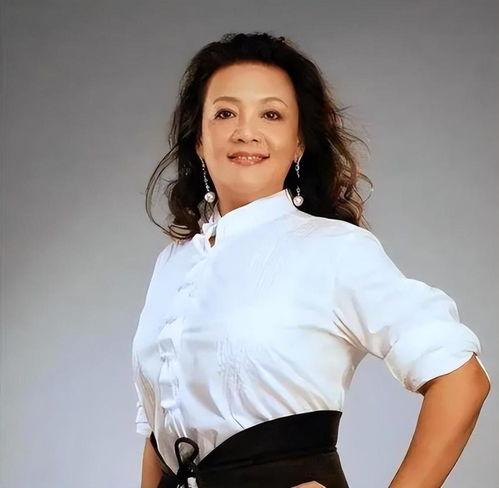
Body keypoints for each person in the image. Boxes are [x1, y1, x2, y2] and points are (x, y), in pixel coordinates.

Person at [131, 32, 491, 488]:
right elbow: (159, 431)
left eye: (271, 114)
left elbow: (462, 380)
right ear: (199, 140)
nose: (246, 131)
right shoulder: (173, 263)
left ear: (299, 141)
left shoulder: (335, 250)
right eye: (225, 113)